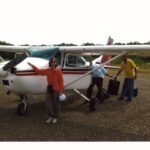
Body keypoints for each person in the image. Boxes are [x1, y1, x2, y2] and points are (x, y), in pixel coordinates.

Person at [28, 57, 64, 124]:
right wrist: (32, 66)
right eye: (51, 62)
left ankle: (55, 117)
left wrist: (61, 90)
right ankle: (51, 116)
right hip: (49, 88)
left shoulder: (58, 71)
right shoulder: (48, 70)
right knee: (47, 104)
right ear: (50, 63)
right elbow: (39, 72)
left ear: (56, 63)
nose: (53, 63)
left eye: (54, 62)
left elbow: (61, 81)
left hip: (56, 89)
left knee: (56, 104)